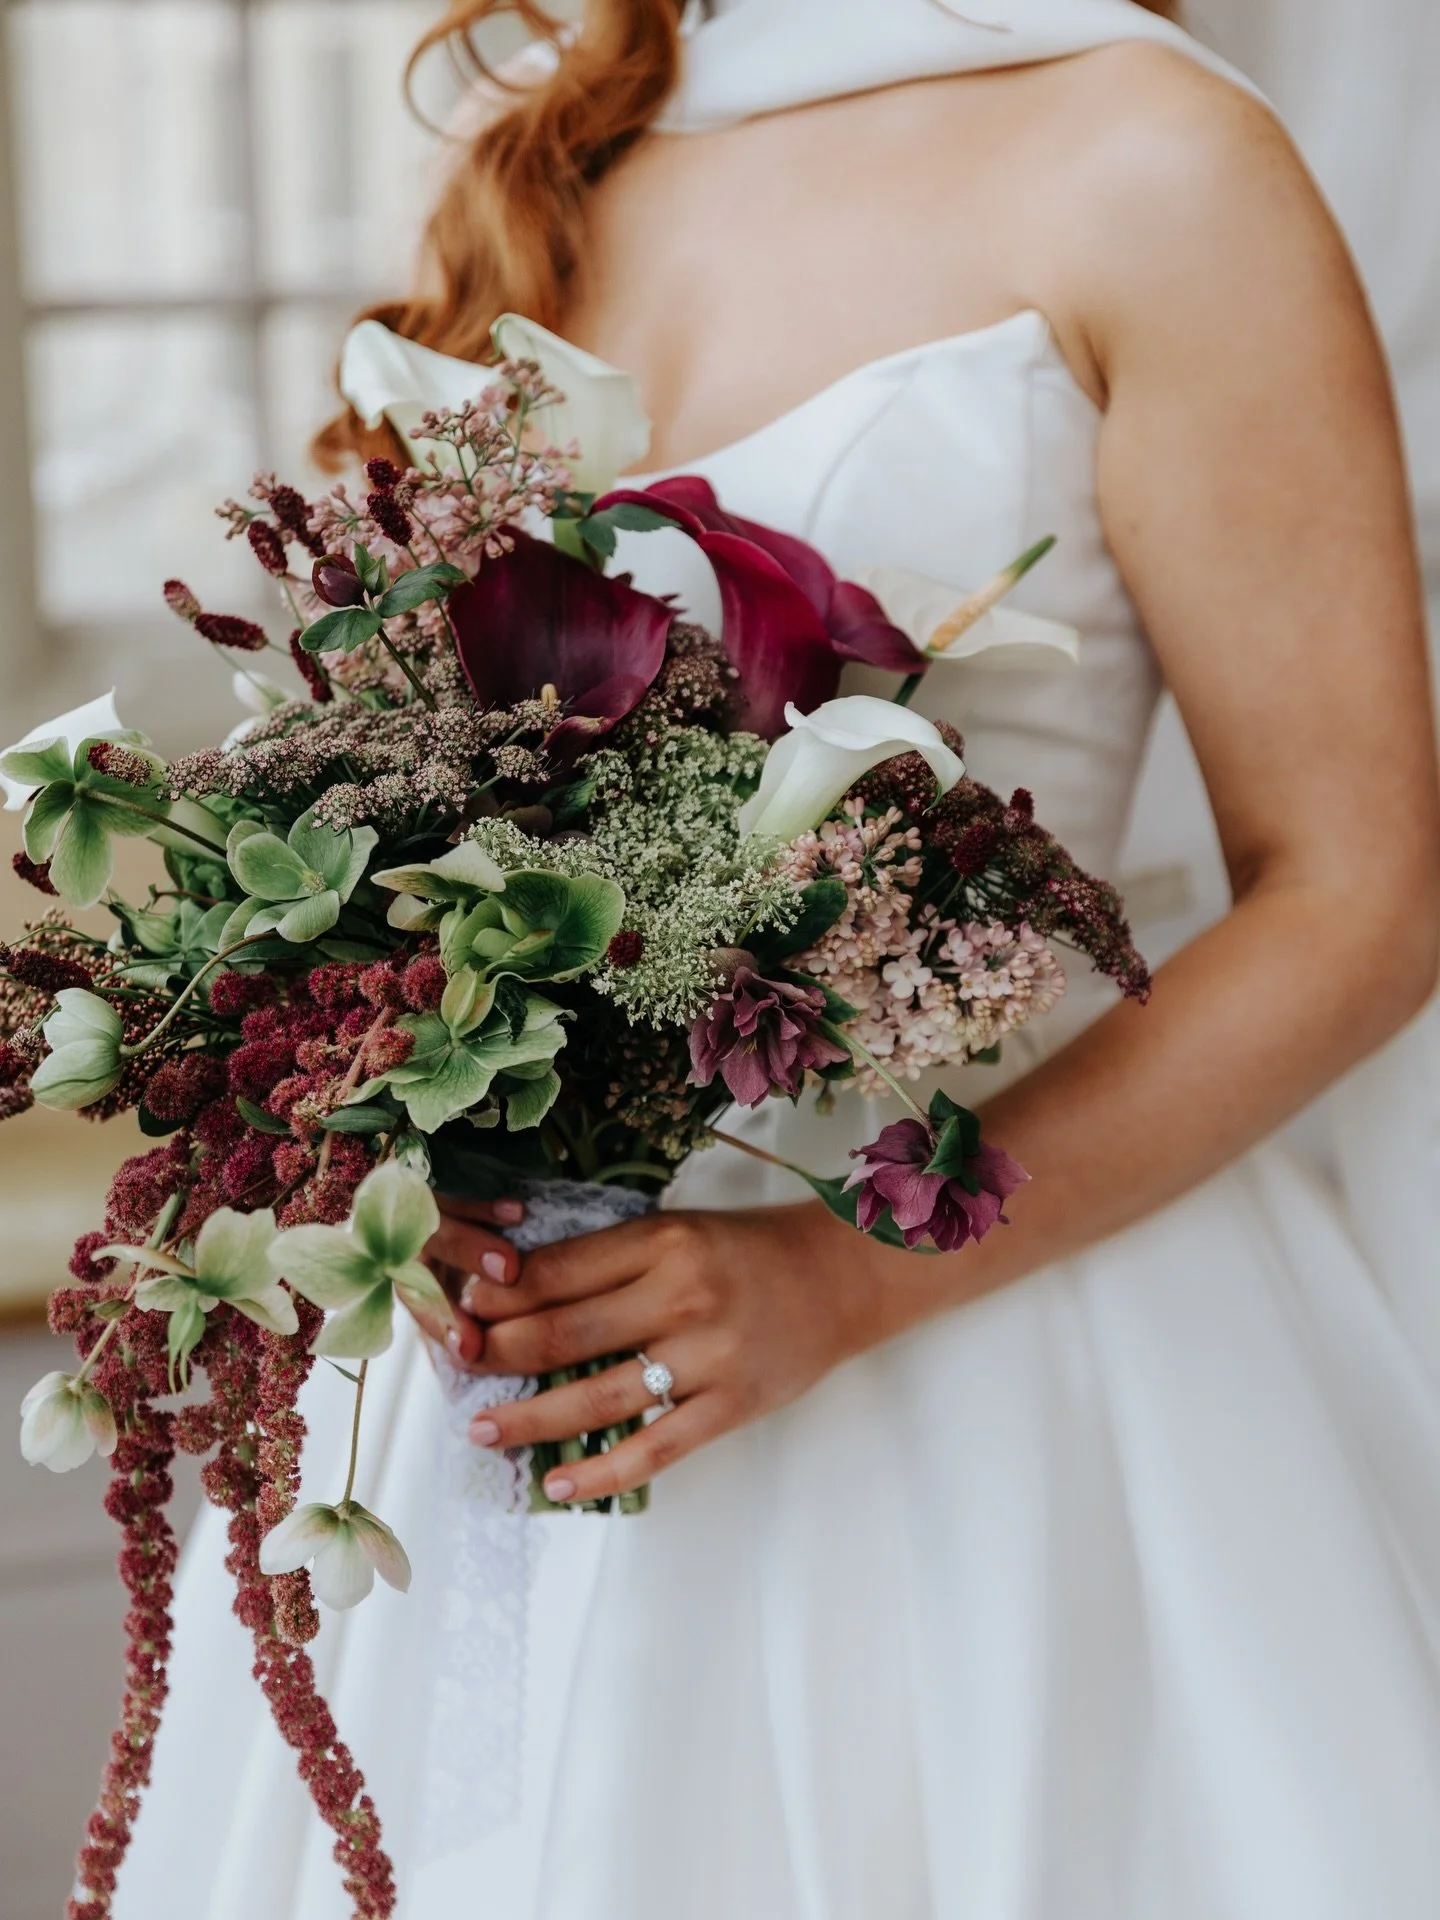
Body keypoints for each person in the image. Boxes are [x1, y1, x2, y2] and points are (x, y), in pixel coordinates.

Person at [119, 2, 1440, 1915]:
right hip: (514, 1375)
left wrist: (843, 1282)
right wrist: (413, 1134)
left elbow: (1361, 894)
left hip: (1003, 1375)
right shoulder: (573, 149)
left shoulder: (1157, 158)